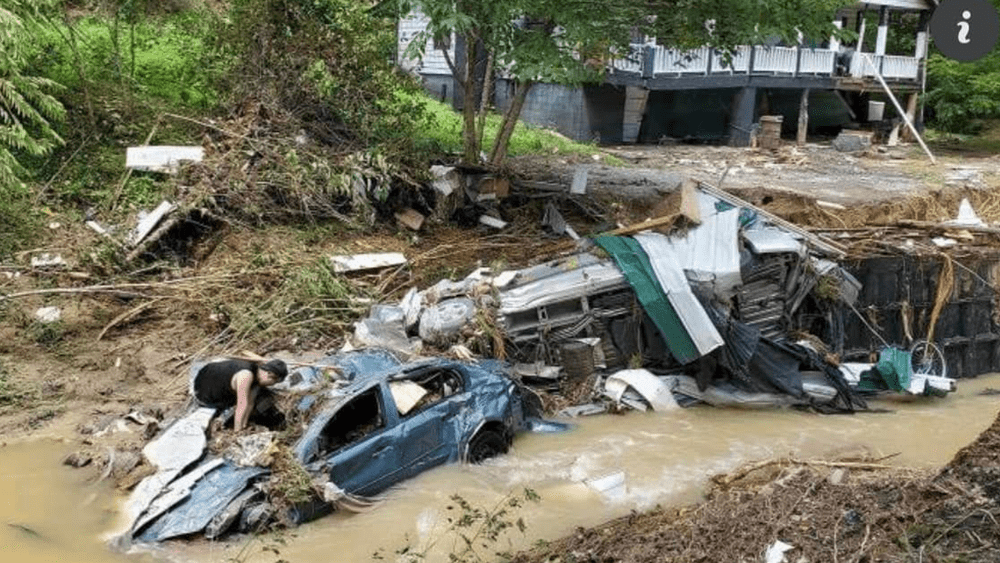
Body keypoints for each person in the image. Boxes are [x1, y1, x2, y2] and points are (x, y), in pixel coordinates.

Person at [193, 358, 288, 431]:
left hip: (210, 375)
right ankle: (221, 421)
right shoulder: (246, 376)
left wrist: (244, 425)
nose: (271, 385)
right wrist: (238, 431)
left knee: (257, 395)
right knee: (241, 399)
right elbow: (242, 404)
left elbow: (250, 403)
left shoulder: (256, 373)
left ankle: (240, 424)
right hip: (203, 393)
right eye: (273, 382)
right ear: (269, 375)